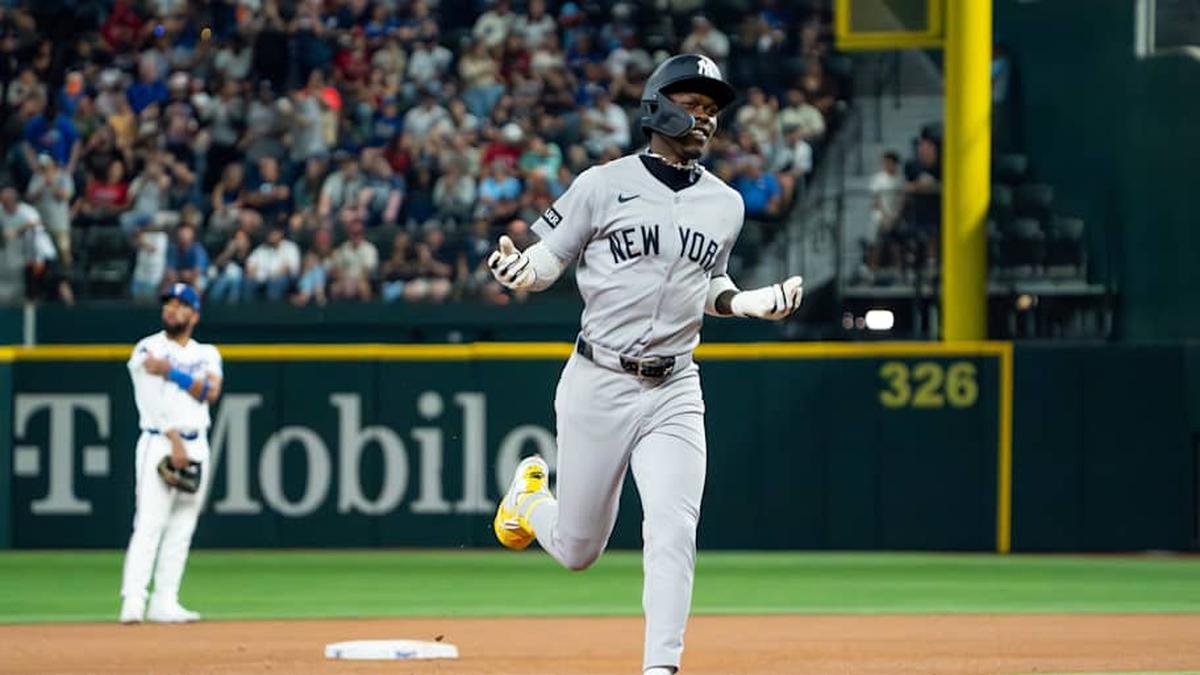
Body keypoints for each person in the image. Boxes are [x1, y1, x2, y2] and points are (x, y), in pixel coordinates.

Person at [486, 54, 802, 675]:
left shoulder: (726, 204)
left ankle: (662, 668)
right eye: (693, 103)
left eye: (712, 109)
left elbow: (706, 286)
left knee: (672, 528)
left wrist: (745, 302)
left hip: (676, 384)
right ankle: (528, 504)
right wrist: (523, 272)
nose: (704, 117)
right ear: (657, 105)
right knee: (579, 549)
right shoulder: (601, 184)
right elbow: (549, 258)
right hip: (598, 379)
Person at [120, 283, 223, 624]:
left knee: (182, 526)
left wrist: (172, 371)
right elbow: (149, 400)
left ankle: (165, 600)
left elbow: (210, 392)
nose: (172, 310)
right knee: (149, 523)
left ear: (194, 315)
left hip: (198, 442)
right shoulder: (147, 348)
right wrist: (174, 439)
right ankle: (133, 600)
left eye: (180, 305)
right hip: (160, 441)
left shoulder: (207, 353)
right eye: (168, 304)